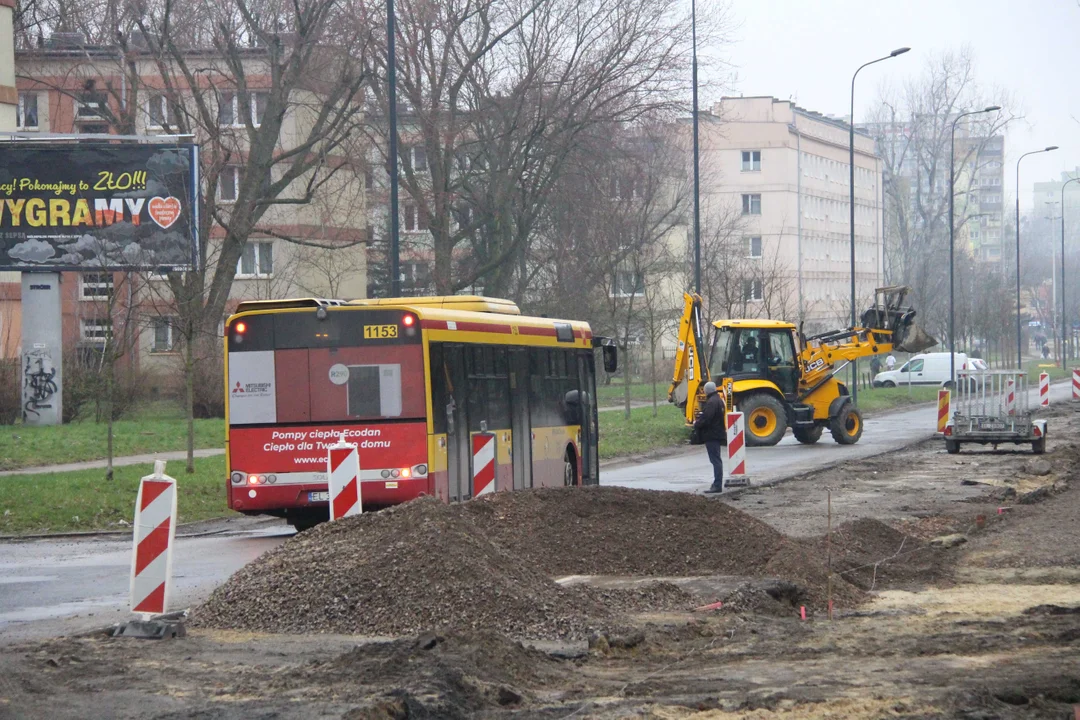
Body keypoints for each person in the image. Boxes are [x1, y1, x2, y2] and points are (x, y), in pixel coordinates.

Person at [695, 381, 726, 493]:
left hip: (712, 434)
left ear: (707, 391)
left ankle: (717, 485)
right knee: (716, 459)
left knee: (715, 460)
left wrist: (697, 423)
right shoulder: (719, 400)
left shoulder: (711, 402)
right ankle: (717, 484)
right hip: (717, 433)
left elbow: (707, 418)